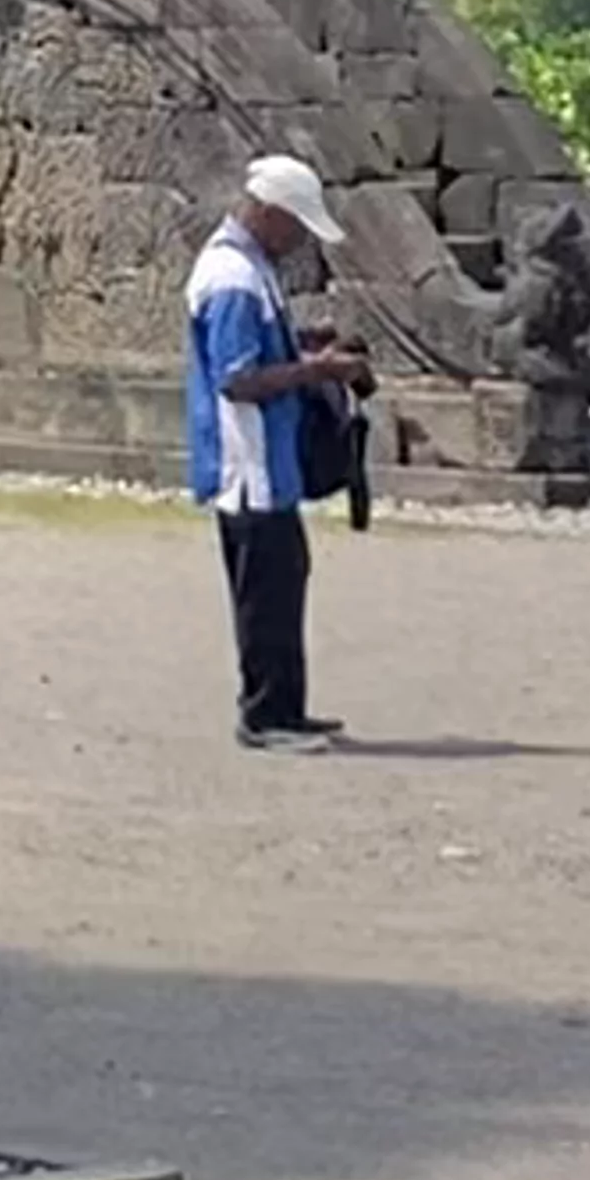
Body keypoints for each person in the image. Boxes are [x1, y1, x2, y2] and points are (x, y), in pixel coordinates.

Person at [185, 155, 370, 748]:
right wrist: (315, 369)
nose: (297, 242)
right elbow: (236, 378)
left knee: (283, 579)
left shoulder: (249, 267)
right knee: (266, 591)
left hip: (268, 463)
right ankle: (264, 715)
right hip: (248, 465)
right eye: (294, 226)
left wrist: (301, 347)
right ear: (267, 213)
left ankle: (284, 707)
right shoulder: (234, 279)